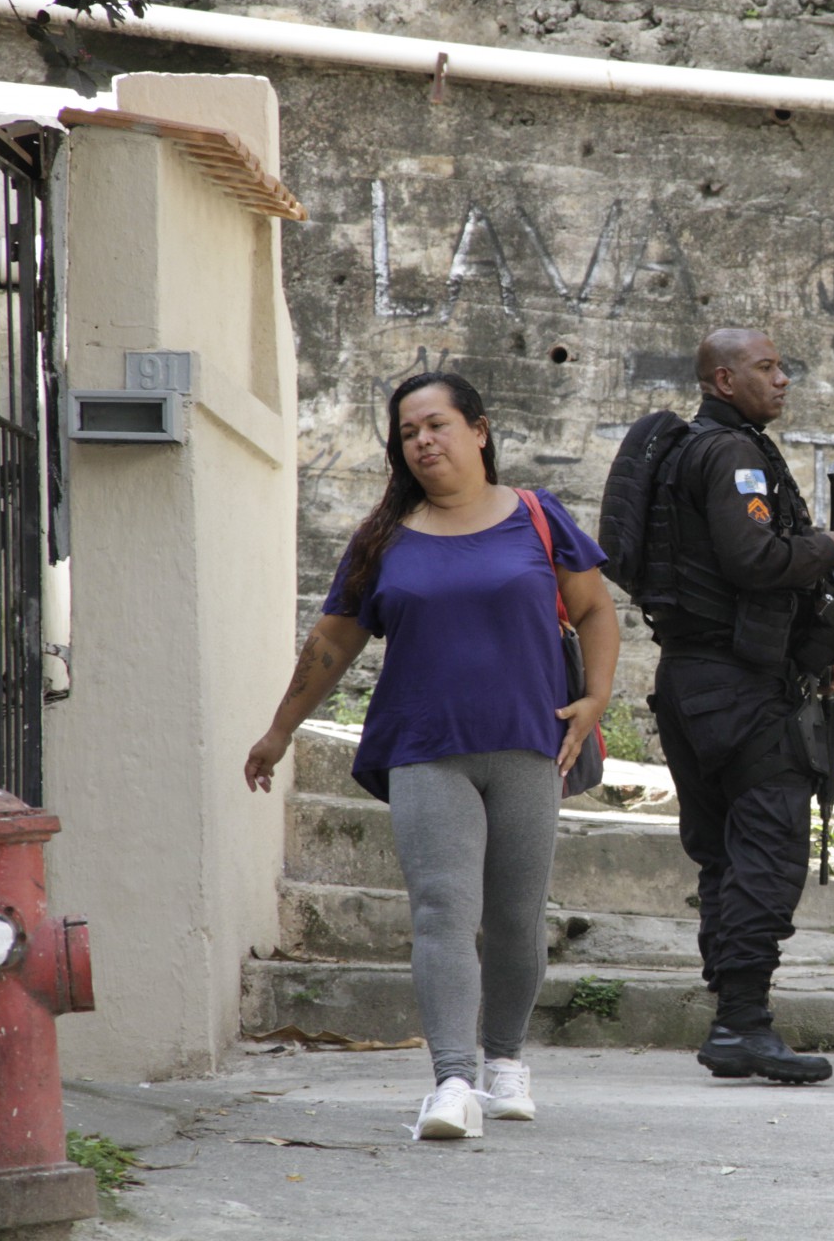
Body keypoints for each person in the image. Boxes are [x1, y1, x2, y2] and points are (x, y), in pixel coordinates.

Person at [243, 370, 618, 1140]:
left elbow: (595, 609)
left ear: (479, 430)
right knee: (444, 910)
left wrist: (598, 697)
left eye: (437, 424)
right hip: (423, 747)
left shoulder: (539, 517)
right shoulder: (384, 540)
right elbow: (330, 643)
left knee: (517, 916)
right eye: (408, 432)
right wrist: (279, 731)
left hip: (527, 741)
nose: (422, 441)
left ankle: (505, 1063)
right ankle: (452, 1082)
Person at [640, 327, 834, 1084]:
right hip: (737, 689)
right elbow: (755, 559)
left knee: (724, 855)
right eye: (767, 368)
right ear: (723, 381)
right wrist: (832, 549)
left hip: (694, 683)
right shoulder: (731, 455)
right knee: (766, 847)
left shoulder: (689, 451)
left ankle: (734, 1018)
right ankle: (742, 1022)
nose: (784, 378)